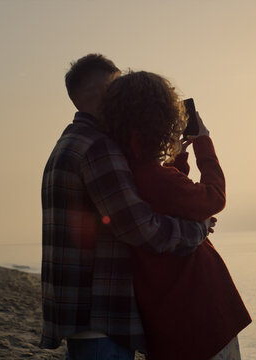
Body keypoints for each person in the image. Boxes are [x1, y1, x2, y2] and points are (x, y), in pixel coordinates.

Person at [40, 54, 212, 359]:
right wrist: (197, 229)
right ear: (106, 91)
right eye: (119, 85)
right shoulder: (98, 148)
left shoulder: (70, 142)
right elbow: (140, 228)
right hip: (101, 316)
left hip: (83, 316)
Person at [100, 71, 251, 360]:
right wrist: (204, 144)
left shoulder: (131, 173)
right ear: (159, 119)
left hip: (172, 316)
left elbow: (172, 196)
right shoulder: (155, 177)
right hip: (198, 319)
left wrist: (178, 159)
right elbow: (214, 197)